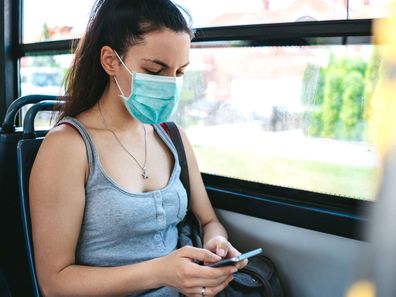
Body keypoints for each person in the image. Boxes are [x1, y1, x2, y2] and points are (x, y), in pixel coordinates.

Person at [29, 0, 247, 296]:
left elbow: (209, 221)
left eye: (179, 72)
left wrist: (215, 245)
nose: (170, 85)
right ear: (110, 61)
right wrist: (160, 272)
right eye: (155, 71)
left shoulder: (173, 137)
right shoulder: (68, 147)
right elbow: (55, 283)